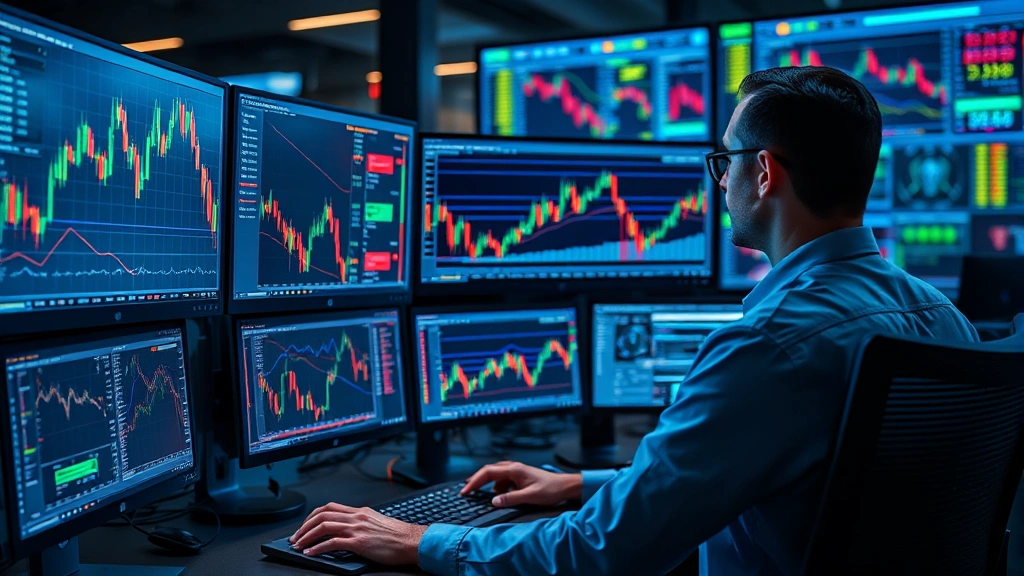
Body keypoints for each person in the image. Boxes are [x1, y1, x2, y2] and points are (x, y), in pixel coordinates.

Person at [287, 67, 980, 575]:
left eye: (725, 161)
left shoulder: (770, 345)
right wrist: (580, 484)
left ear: (764, 173)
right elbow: (754, 474)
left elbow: (607, 552)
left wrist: (425, 542)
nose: (722, 180)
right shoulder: (944, 318)